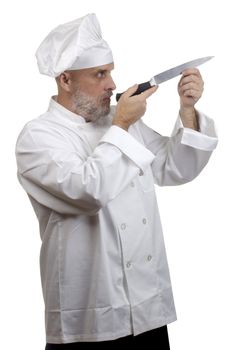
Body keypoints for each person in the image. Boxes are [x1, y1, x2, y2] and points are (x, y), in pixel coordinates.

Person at [15, 13, 218, 349]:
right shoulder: (38, 137)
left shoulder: (120, 123)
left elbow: (173, 168)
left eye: (110, 71)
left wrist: (186, 110)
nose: (112, 84)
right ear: (66, 80)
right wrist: (121, 124)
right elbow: (87, 191)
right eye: (100, 74)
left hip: (148, 309)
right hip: (88, 322)